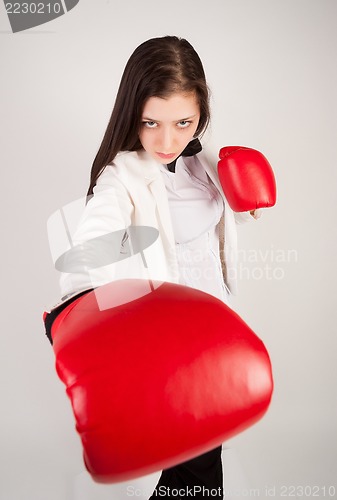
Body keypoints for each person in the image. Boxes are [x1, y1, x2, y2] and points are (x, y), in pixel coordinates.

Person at [44, 35, 262, 499]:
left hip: (217, 331)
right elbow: (94, 241)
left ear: (202, 112)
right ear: (132, 114)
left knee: (191, 468)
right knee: (200, 472)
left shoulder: (205, 159)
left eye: (183, 121)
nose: (168, 140)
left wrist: (246, 201)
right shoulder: (121, 177)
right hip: (172, 344)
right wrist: (77, 301)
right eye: (150, 122)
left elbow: (208, 221)